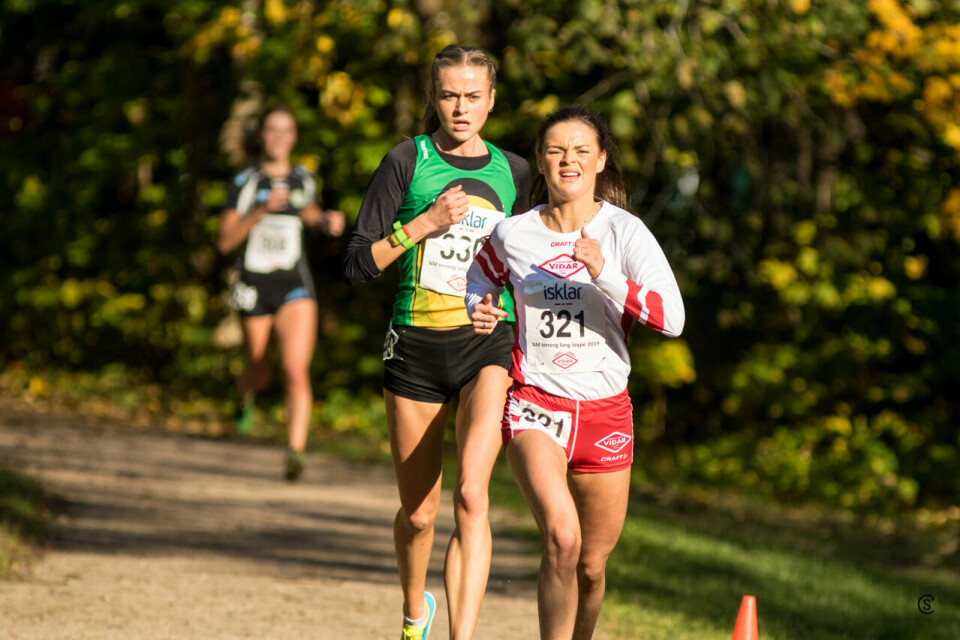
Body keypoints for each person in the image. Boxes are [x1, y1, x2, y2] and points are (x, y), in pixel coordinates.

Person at [465, 106, 685, 639]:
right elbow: (480, 275)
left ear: (601, 160)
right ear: (540, 161)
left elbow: (671, 318)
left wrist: (605, 273)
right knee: (561, 538)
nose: (569, 161)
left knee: (591, 566)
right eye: (557, 150)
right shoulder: (513, 233)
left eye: (581, 151)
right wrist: (482, 306)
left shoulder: (624, 233)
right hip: (536, 406)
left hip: (607, 413)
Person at [343, 45, 530, 640]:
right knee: (421, 513)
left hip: (485, 347)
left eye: (473, 96)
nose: (460, 107)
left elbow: (529, 268)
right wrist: (423, 224)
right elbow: (355, 265)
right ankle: (412, 613)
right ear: (433, 98)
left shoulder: (517, 173)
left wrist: (497, 304)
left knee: (472, 495)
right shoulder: (407, 160)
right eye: (449, 95)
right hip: (415, 347)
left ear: (492, 101)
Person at [217, 104, 345, 481]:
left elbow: (308, 212)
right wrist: (259, 211)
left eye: (285, 130)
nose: (277, 137)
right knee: (259, 368)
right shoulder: (245, 182)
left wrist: (326, 221)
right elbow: (225, 242)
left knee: (294, 368)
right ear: (261, 136)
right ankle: (244, 394)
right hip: (253, 284)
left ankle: (295, 451)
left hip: (293, 283)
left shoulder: (303, 179)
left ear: (293, 137)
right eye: (271, 130)